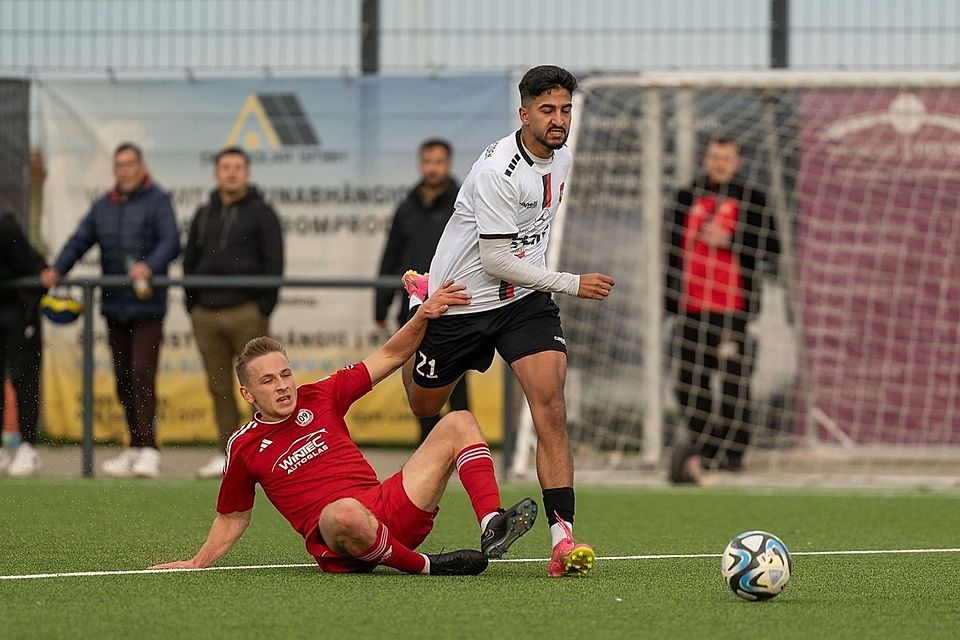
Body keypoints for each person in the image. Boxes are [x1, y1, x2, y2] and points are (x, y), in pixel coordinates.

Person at [148, 281, 538, 575]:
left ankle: (492, 524)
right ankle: (425, 565)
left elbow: (390, 354)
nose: (283, 385)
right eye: (268, 381)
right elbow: (233, 516)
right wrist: (197, 562)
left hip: (389, 508)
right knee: (341, 512)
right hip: (341, 539)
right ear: (247, 395)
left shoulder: (320, 395)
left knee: (459, 421)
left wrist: (421, 315)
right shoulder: (244, 445)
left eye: (285, 374)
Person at [400, 65, 615, 577]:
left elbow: (521, 252)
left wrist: (544, 283)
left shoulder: (560, 159)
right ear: (524, 114)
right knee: (423, 403)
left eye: (564, 109)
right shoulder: (499, 170)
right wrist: (571, 282)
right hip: (464, 302)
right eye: (547, 110)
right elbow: (494, 260)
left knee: (552, 409)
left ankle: (562, 540)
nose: (558, 119)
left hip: (523, 302)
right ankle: (421, 297)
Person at [41, 142, 180, 478]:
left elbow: (172, 242)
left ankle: (149, 449)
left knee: (142, 373)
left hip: (148, 306)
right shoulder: (104, 205)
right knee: (123, 379)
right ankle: (134, 446)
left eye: (130, 164)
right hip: (114, 306)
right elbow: (80, 240)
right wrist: (57, 268)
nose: (124, 170)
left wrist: (150, 266)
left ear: (141, 167)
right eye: (118, 165)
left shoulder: (158, 200)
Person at [664, 137, 781, 484]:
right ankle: (702, 448)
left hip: (733, 309)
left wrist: (731, 240)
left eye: (727, 158)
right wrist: (669, 297)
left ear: (738, 162)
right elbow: (670, 248)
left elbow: (773, 245)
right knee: (687, 383)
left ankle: (732, 454)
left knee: (733, 383)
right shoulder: (686, 196)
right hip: (690, 307)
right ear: (706, 159)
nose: (720, 163)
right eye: (715, 157)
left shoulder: (752, 199)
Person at [184, 147, 284, 479]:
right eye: (225, 167)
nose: (231, 173)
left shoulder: (263, 212)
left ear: (247, 173)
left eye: (238, 167)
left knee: (261, 386)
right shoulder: (203, 213)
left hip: (247, 313)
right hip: (206, 314)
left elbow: (275, 263)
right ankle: (227, 453)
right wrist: (193, 304)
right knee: (219, 387)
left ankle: (266, 453)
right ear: (216, 173)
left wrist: (262, 307)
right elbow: (189, 261)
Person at [375, 139, 469, 443]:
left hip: (455, 304)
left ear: (448, 163)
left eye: (438, 162)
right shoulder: (407, 207)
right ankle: (429, 449)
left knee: (456, 379)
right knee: (418, 378)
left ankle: (463, 447)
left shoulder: (463, 204)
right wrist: (380, 306)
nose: (432, 168)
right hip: (414, 308)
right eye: (427, 161)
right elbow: (391, 257)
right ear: (420, 163)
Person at [0, 211, 46, 476]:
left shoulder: (6, 228)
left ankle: (29, 446)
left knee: (24, 378)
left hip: (20, 308)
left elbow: (35, 267)